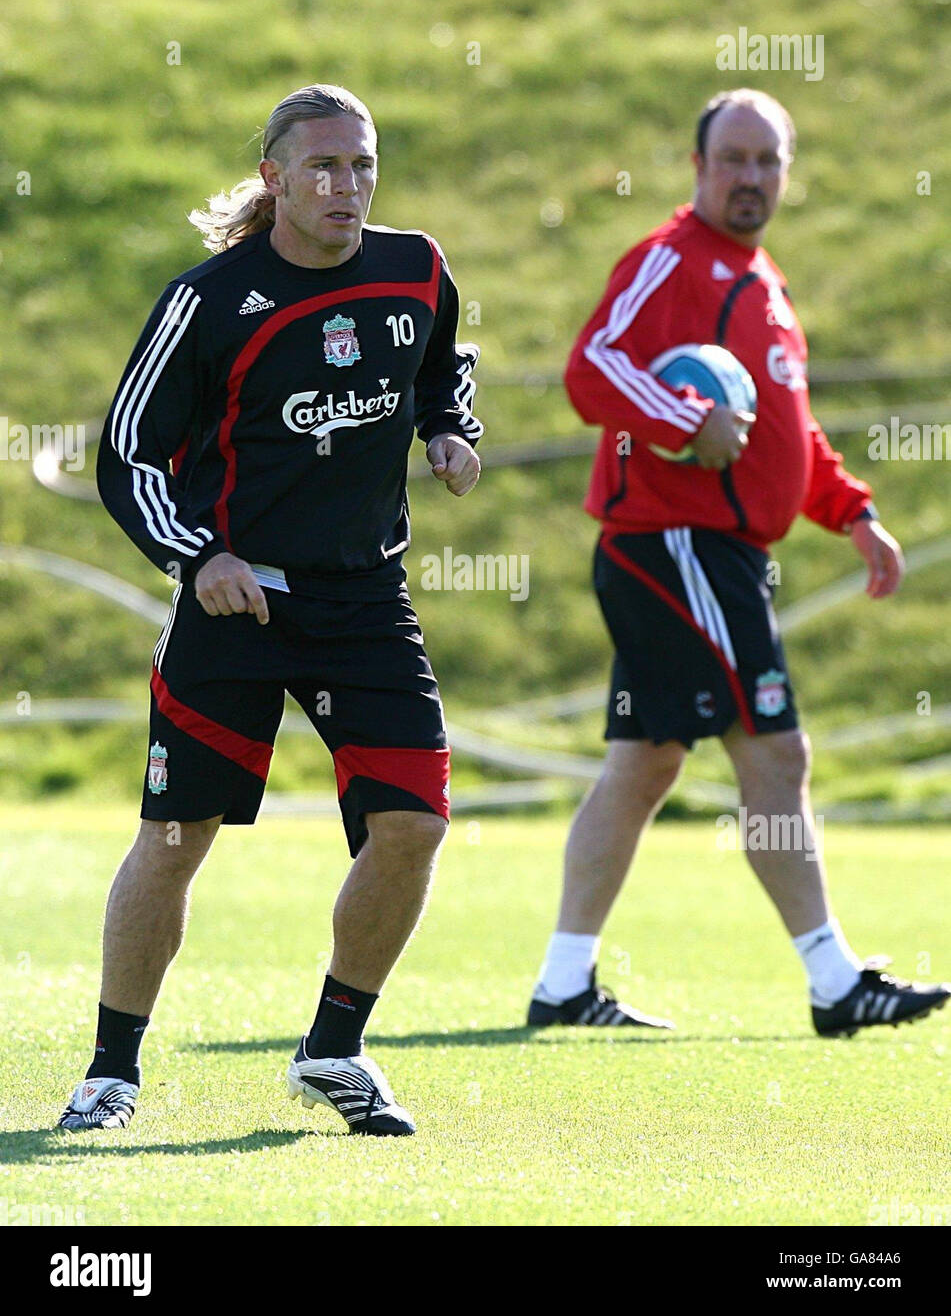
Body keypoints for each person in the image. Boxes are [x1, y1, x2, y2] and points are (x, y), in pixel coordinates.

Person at [58, 84, 483, 1137]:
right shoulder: (209, 301)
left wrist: (448, 429)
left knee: (414, 824)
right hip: (237, 609)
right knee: (172, 837)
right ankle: (111, 1072)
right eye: (325, 167)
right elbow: (125, 454)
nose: (348, 186)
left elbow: (441, 365)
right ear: (275, 178)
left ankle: (333, 1051)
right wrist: (195, 555)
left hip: (365, 602)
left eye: (363, 166)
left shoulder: (416, 268)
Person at [528, 88, 948, 1037]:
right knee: (774, 748)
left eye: (769, 160)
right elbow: (589, 367)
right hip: (676, 548)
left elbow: (784, 435)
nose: (752, 176)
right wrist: (685, 419)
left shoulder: (761, 281)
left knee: (642, 766)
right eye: (735, 158)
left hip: (705, 551)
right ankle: (834, 981)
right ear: (697, 166)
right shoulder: (670, 260)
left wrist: (852, 513)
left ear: (785, 173)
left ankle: (561, 984)